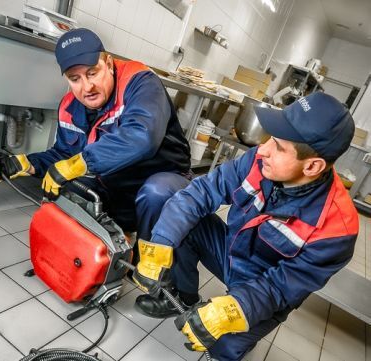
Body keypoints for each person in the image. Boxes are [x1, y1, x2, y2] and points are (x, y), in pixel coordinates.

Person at [132, 92, 359, 361]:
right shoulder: (259, 161)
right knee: (173, 201)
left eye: (279, 146)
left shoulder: (337, 229)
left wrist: (232, 311)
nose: (262, 149)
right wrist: (160, 242)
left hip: (263, 284)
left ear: (312, 165)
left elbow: (282, 288)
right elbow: (200, 193)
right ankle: (183, 296)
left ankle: (237, 327)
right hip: (229, 250)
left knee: (222, 346)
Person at [0, 28, 191, 245]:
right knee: (73, 188)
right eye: (75, 79)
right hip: (116, 182)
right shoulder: (69, 107)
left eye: (93, 73)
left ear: (109, 64)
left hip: (165, 178)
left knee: (155, 193)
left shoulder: (139, 82)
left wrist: (81, 162)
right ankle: (113, 245)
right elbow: (64, 153)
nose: (87, 86)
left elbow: (142, 136)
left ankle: (150, 261)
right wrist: (23, 163)